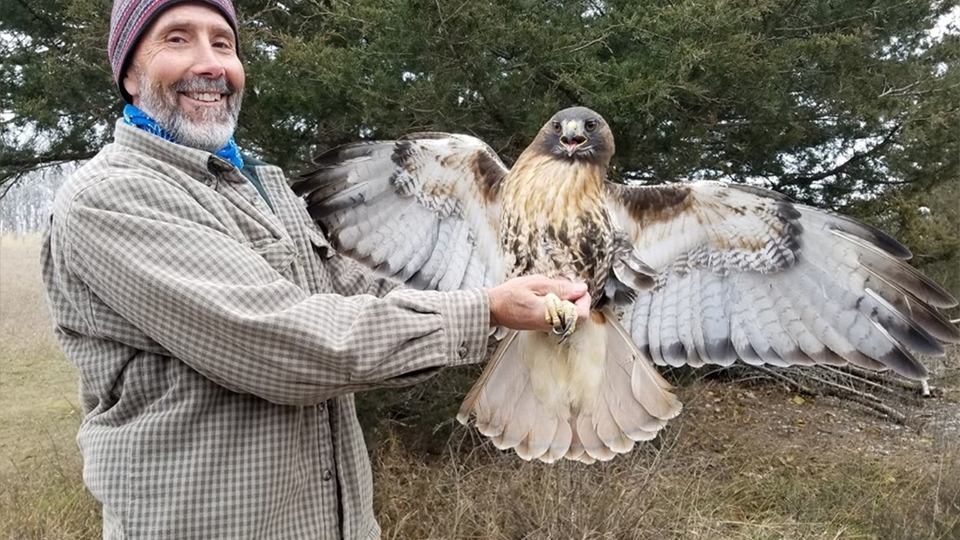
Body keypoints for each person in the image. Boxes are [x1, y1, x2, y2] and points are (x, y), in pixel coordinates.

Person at [40, 1, 590, 538]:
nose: (209, 64)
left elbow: (351, 293)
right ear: (129, 74)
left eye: (223, 43)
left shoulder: (258, 186)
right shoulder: (112, 198)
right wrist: (485, 309)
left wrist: (517, 291)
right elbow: (282, 342)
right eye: (177, 39)